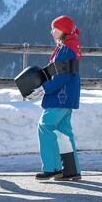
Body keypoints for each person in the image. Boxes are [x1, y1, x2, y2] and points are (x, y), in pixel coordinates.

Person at [27, 15, 82, 181]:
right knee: (63, 131)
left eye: (54, 28)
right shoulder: (70, 47)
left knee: (45, 126)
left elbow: (62, 76)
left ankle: (52, 168)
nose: (51, 31)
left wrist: (44, 88)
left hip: (60, 96)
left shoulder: (65, 49)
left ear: (64, 30)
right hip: (67, 97)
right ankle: (71, 170)